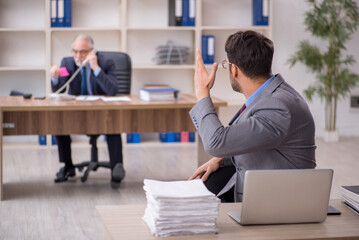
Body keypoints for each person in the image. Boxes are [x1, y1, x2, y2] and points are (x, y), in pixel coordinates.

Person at [188, 30, 316, 202]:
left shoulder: (277, 107)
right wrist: (222, 159)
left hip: (279, 201)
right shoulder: (273, 94)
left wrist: (202, 93)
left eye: (226, 64)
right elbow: (257, 137)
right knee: (204, 185)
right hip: (262, 178)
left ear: (234, 70)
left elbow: (215, 142)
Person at [50, 34, 125, 188]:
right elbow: (60, 90)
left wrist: (96, 68)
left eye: (83, 52)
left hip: (102, 111)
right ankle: (68, 166)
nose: (78, 56)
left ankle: (117, 167)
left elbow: (113, 90)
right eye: (75, 51)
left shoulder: (105, 63)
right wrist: (55, 78)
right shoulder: (67, 63)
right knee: (60, 125)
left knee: (114, 124)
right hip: (77, 111)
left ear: (92, 51)